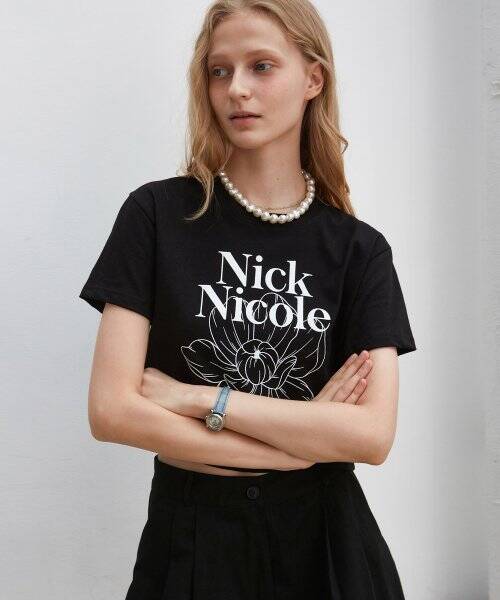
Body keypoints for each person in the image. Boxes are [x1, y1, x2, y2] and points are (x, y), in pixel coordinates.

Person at [78, 1, 417, 598]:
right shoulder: (156, 216)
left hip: (328, 555)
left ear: (313, 79)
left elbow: (370, 435)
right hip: (191, 549)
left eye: (261, 66)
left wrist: (197, 398)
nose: (236, 88)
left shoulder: (359, 250)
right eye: (220, 70)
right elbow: (112, 411)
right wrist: (295, 450)